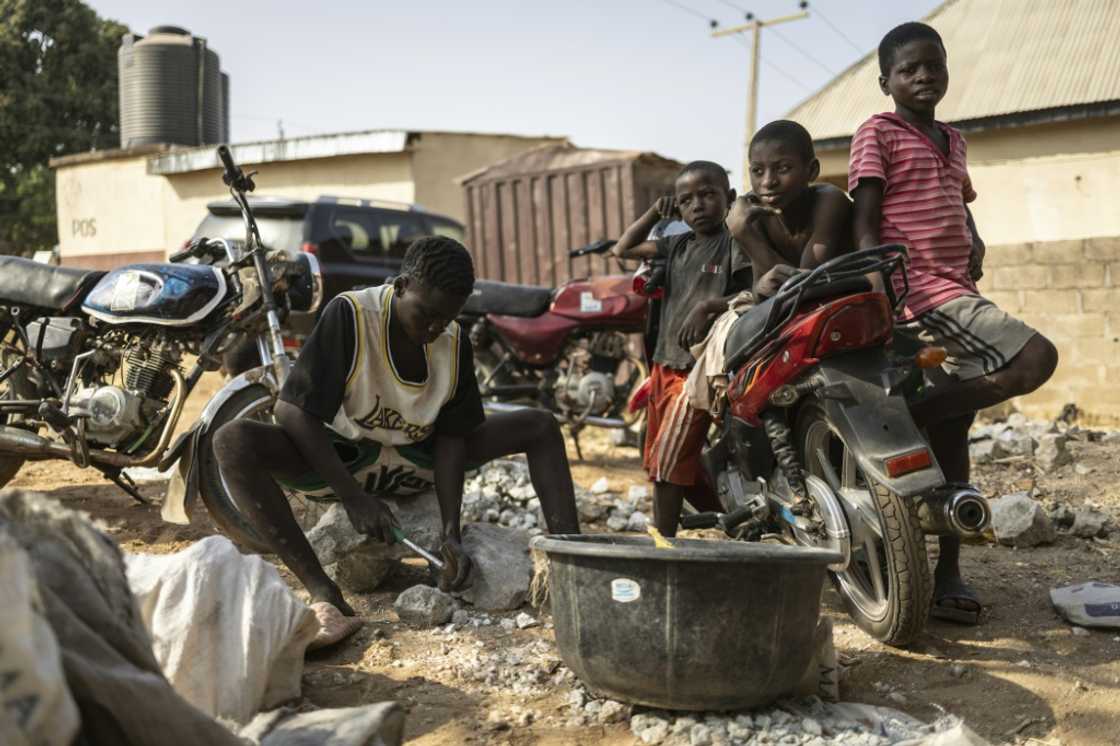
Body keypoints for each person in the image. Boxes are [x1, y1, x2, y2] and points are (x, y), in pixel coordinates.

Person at [213, 236, 580, 619]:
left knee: (540, 425)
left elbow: (453, 438)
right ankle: (321, 587)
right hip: (348, 457)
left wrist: (450, 532)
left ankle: (575, 562)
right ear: (401, 286)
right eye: (425, 314)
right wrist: (352, 497)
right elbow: (292, 412)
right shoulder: (352, 315)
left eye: (446, 319)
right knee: (232, 442)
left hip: (417, 461)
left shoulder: (454, 342)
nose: (434, 328)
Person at [849, 22, 1058, 624]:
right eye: (908, 69)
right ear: (885, 80)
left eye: (933, 66)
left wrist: (976, 237)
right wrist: (876, 283)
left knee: (956, 430)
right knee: (1035, 359)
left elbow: (958, 200)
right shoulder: (877, 132)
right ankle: (912, 420)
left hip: (956, 284)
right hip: (919, 290)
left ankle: (947, 571)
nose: (923, 77)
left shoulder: (953, 139)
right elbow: (866, 214)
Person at [613, 161, 753, 537]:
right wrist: (655, 213)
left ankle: (663, 539)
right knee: (663, 454)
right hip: (662, 364)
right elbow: (622, 248)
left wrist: (710, 306)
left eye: (708, 195)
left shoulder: (733, 243)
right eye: (686, 200)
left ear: (730, 198)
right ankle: (732, 524)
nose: (697, 206)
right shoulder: (677, 244)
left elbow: (751, 296)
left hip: (698, 370)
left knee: (667, 460)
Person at [727, 119, 852, 297]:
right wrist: (761, 287)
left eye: (783, 168)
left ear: (812, 171)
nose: (768, 182)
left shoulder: (829, 201)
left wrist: (743, 234)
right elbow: (758, 289)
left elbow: (803, 288)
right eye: (758, 171)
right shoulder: (754, 213)